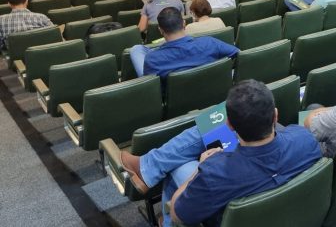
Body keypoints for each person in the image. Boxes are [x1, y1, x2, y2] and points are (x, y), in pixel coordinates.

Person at [118, 80, 321, 227]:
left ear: (230, 125)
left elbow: (180, 214)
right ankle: (148, 168)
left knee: (179, 167)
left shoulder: (213, 172)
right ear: (275, 115)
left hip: (224, 214)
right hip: (290, 213)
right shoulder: (307, 139)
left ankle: (164, 214)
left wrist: (200, 169)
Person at [130, 7, 239, 78]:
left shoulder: (152, 59)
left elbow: (151, 88)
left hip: (173, 107)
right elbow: (239, 54)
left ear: (160, 30)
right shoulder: (210, 43)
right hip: (214, 95)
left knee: (136, 49)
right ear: (184, 24)